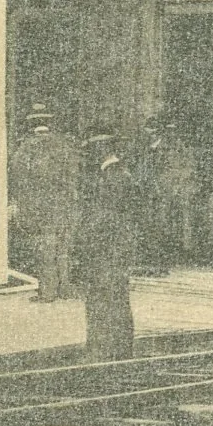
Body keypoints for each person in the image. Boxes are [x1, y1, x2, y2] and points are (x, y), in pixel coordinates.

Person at [9, 103, 81, 302]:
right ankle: (64, 288)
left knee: (45, 248)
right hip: (64, 204)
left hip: (40, 205)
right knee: (64, 248)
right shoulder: (65, 145)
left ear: (31, 123)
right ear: (50, 122)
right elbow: (75, 174)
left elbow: (17, 175)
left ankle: (47, 292)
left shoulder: (26, 147)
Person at [78, 126, 138, 361]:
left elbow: (105, 215)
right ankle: (116, 348)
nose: (90, 154)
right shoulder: (117, 173)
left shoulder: (113, 176)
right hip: (114, 245)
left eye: (92, 149)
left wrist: (83, 237)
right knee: (113, 295)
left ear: (102, 149)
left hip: (108, 246)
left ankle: (105, 349)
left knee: (104, 296)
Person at [133, 117, 199, 272]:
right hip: (150, 190)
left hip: (168, 190)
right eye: (148, 133)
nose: (151, 136)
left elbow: (184, 168)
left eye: (154, 133)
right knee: (152, 221)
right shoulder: (145, 148)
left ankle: (173, 254)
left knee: (169, 222)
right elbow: (142, 168)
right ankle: (154, 254)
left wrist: (174, 185)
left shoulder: (174, 147)